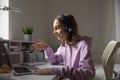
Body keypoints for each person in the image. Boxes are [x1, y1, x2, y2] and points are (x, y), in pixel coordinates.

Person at [32, 14, 95, 80]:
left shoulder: (82, 45)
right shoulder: (64, 46)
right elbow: (54, 60)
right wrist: (46, 48)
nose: (54, 32)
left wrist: (57, 71)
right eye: (54, 29)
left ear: (68, 28)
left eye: (57, 28)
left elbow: (89, 74)